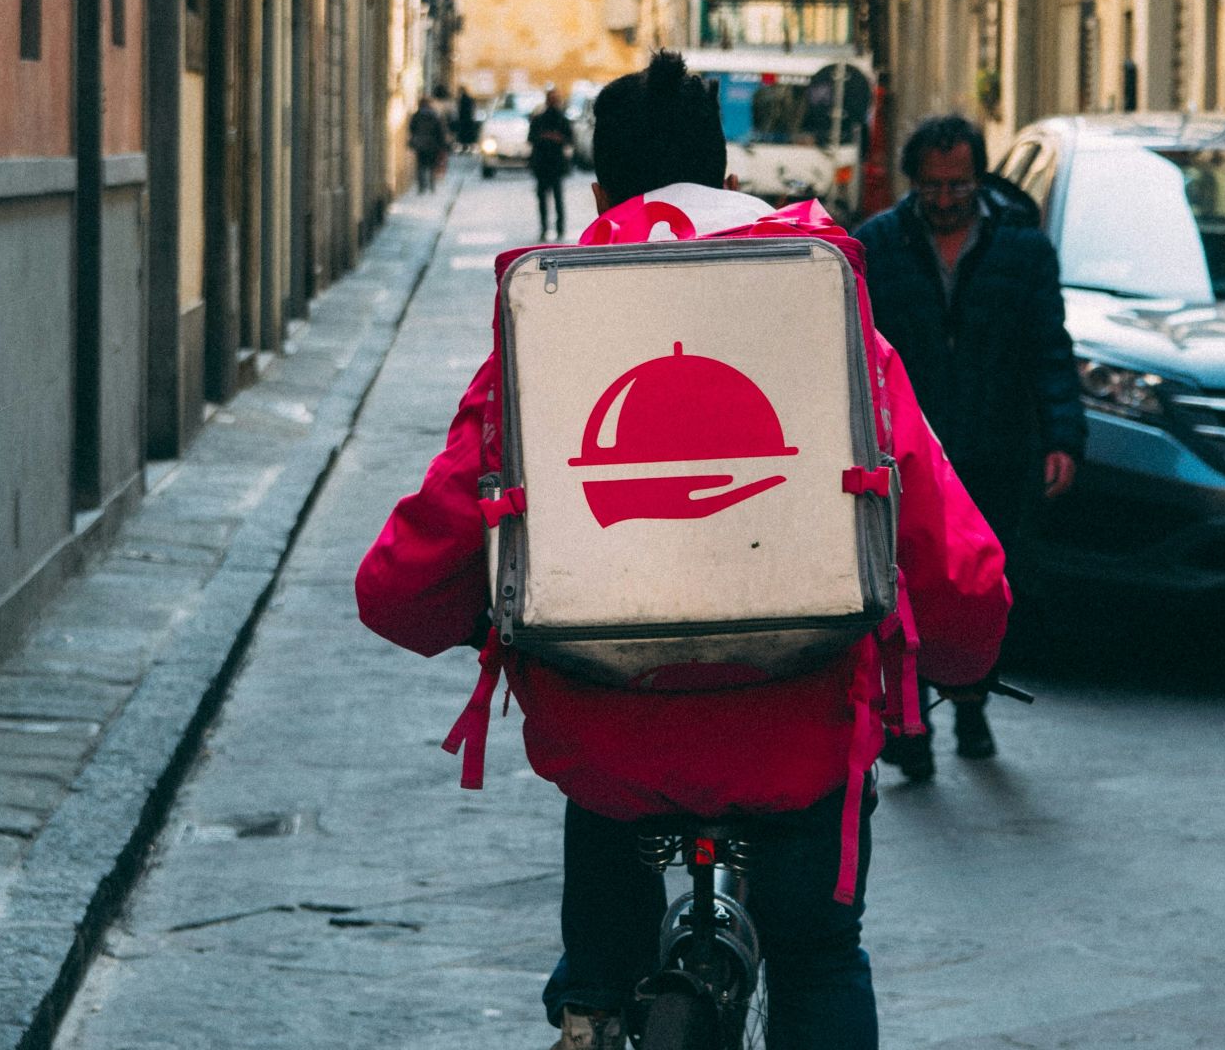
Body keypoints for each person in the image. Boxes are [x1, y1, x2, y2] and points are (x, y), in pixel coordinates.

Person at [355, 53, 1010, 1050]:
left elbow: (409, 574)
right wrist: (962, 658)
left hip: (611, 740)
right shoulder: (823, 309)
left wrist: (464, 615)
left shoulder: (548, 327)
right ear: (731, 180)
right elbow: (942, 542)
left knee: (603, 822)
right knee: (820, 957)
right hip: (799, 733)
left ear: (599, 194)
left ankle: (592, 1004)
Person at [851, 114, 1085, 779]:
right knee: (907, 590)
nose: (946, 199)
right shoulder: (878, 246)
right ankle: (913, 727)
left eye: (957, 185)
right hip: (909, 455)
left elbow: (1049, 349)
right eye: (932, 186)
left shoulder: (1024, 250)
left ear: (979, 179)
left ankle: (973, 704)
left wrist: (1063, 436)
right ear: (913, 182)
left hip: (997, 447)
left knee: (982, 591)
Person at [530, 86, 575, 241]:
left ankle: (559, 228)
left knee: (556, 197)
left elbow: (570, 138)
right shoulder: (539, 119)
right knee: (545, 198)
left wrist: (557, 138)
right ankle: (545, 228)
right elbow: (531, 137)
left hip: (554, 164)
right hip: (544, 163)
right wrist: (547, 137)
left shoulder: (561, 119)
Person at [408, 94, 447, 194]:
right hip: (432, 144)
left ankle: (422, 187)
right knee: (431, 165)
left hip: (420, 144)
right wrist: (442, 144)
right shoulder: (434, 115)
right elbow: (439, 131)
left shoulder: (416, 115)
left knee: (421, 165)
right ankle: (431, 186)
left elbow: (412, 128)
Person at [456, 85, 479, 152]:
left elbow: (460, 110)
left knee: (464, 135)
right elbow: (473, 108)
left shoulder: (461, 99)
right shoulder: (469, 99)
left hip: (463, 120)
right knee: (469, 135)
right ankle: (470, 147)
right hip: (469, 120)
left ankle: (465, 147)